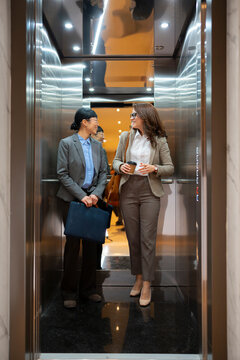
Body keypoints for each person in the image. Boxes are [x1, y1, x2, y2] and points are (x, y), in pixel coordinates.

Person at [113, 103, 174, 306]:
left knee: (147, 239)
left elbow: (170, 168)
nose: (131, 117)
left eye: (134, 114)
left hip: (150, 192)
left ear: (145, 117)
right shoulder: (126, 137)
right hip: (128, 190)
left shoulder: (159, 140)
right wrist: (120, 166)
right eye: (131, 114)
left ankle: (147, 283)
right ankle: (137, 277)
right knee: (133, 238)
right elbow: (115, 162)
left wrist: (154, 168)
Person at [57, 107, 107, 308]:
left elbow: (104, 173)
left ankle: (88, 289)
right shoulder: (66, 144)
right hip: (72, 200)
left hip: (92, 200)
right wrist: (82, 196)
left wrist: (94, 195)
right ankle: (68, 291)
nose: (97, 123)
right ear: (84, 122)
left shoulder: (98, 146)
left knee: (91, 246)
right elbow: (62, 173)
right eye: (94, 120)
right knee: (72, 246)